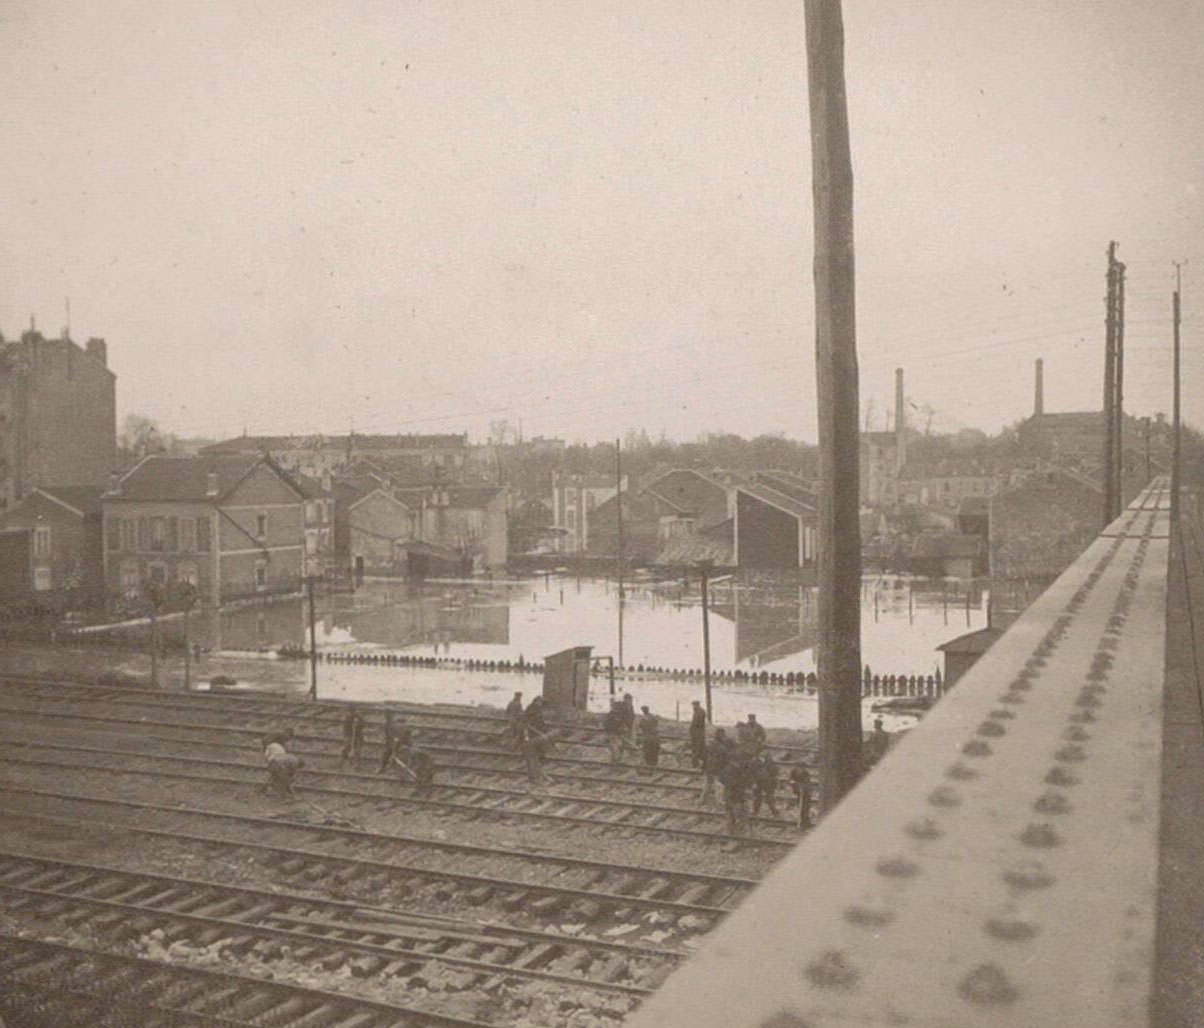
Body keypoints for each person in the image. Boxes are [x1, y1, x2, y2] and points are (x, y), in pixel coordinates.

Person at [722, 748, 754, 837]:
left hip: (731, 797)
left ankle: (732, 833)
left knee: (731, 815)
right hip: (735, 797)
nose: (740, 763)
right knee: (739, 815)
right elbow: (734, 784)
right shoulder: (732, 771)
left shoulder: (728, 770)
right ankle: (737, 834)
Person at [263, 729, 302, 799]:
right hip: (277, 762)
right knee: (283, 780)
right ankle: (282, 796)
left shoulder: (285, 753)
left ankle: (268, 790)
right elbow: (291, 773)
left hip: (273, 761)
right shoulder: (294, 761)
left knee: (275, 777)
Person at [522, 696, 551, 785]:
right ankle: (535, 779)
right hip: (532, 738)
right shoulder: (534, 711)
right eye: (541, 702)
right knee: (533, 758)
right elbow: (533, 724)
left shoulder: (533, 709)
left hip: (535, 737)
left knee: (536, 758)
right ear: (537, 702)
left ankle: (539, 776)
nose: (541, 704)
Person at [699, 728, 732, 807]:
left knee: (707, 784)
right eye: (723, 735)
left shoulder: (710, 744)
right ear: (721, 736)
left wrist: (704, 767)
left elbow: (704, 756)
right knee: (719, 785)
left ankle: (702, 800)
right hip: (716, 769)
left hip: (708, 768)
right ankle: (719, 802)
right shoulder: (721, 747)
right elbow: (726, 758)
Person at [751, 750, 781, 818]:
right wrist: (753, 782)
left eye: (765, 753)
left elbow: (775, 771)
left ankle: (774, 811)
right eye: (762, 752)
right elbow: (751, 773)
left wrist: (774, 780)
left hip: (768, 782)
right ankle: (755, 811)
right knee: (757, 797)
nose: (764, 754)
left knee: (770, 797)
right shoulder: (754, 761)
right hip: (758, 782)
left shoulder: (770, 761)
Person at [789, 760, 813, 829]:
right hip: (798, 791)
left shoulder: (806, 773)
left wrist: (802, 788)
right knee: (801, 807)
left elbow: (807, 783)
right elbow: (790, 779)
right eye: (799, 767)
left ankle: (805, 823)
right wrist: (792, 782)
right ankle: (803, 822)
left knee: (805, 808)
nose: (800, 769)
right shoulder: (793, 771)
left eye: (801, 768)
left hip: (806, 793)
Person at [688, 700, 708, 768]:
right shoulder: (700, 711)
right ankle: (703, 763)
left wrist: (691, 730)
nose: (693, 706)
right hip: (700, 732)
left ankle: (695, 764)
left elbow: (695, 723)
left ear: (697, 705)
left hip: (697, 733)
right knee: (701, 748)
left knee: (696, 748)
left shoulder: (698, 712)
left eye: (694, 705)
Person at [377, 709, 397, 774]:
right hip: (388, 741)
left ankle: (389, 768)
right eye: (388, 715)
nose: (390, 717)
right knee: (386, 754)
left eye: (390, 715)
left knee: (391, 754)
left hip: (392, 741)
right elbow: (384, 733)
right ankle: (382, 768)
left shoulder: (392, 723)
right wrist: (384, 739)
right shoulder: (386, 723)